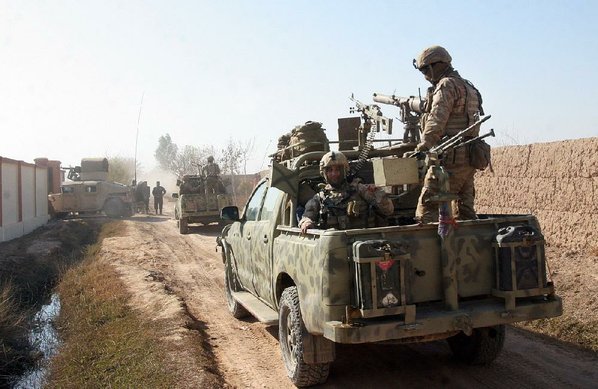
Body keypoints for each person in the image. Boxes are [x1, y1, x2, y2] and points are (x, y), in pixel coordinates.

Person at [412, 45, 484, 223]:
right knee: (465, 211)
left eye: (424, 70)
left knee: (427, 208)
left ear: (435, 66)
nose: (425, 76)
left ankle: (428, 250)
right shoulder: (469, 87)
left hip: (449, 161)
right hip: (470, 158)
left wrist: (423, 147)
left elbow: (437, 120)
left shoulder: (446, 85)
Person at [299, 151, 394, 233]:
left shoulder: (360, 189)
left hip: (364, 243)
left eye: (337, 169)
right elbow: (307, 216)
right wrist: (306, 222)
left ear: (345, 170)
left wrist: (377, 193)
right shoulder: (319, 198)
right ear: (324, 173)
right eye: (330, 170)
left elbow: (388, 210)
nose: (334, 174)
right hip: (334, 248)